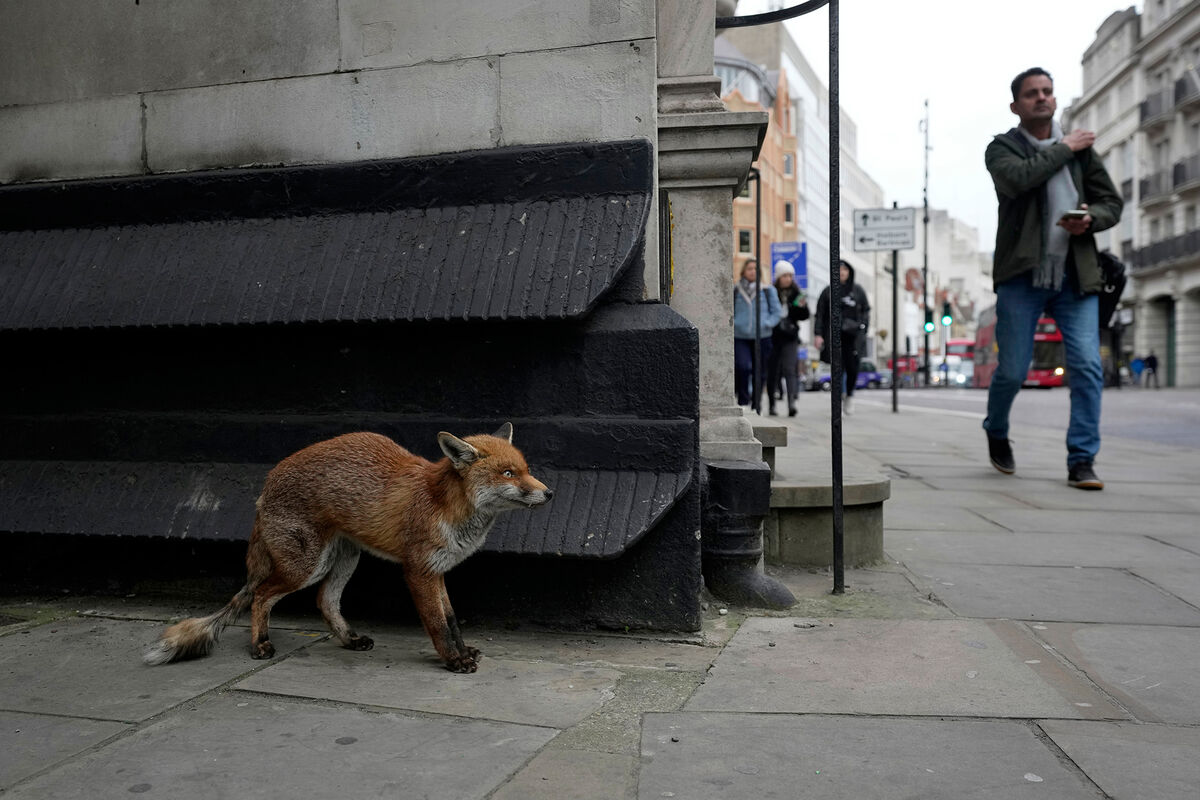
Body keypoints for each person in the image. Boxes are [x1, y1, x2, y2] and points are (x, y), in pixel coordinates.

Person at [982, 67, 1122, 490]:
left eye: (1047, 91)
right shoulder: (1001, 148)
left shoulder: (1080, 152)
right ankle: (996, 428)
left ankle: (1082, 459)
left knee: (1086, 365)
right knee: (1011, 368)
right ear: (1016, 106)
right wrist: (1064, 146)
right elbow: (1019, 179)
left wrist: (1090, 220)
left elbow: (1111, 203)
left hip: (1075, 275)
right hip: (1020, 276)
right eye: (1031, 94)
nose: (1042, 98)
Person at [812, 259, 870, 416]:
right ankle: (839, 397)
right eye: (838, 270)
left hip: (853, 338)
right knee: (837, 369)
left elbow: (865, 311)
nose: (842, 272)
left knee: (852, 369)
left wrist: (863, 328)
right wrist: (818, 334)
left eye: (845, 270)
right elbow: (820, 315)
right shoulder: (828, 292)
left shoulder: (857, 291)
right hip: (834, 337)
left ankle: (850, 395)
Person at [733, 259, 782, 410]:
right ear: (743, 272)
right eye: (749, 268)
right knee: (742, 367)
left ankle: (756, 403)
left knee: (759, 372)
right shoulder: (736, 290)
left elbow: (777, 312)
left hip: (763, 336)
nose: (753, 271)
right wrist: (735, 323)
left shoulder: (768, 290)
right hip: (740, 336)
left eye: (756, 268)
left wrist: (767, 324)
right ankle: (743, 400)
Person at [767, 260, 811, 417]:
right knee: (772, 371)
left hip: (790, 336)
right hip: (773, 336)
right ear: (779, 277)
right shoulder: (771, 292)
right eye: (785, 275)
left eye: (790, 276)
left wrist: (799, 306)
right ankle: (772, 404)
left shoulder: (797, 293)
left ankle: (791, 403)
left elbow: (805, 315)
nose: (788, 278)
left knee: (790, 369)